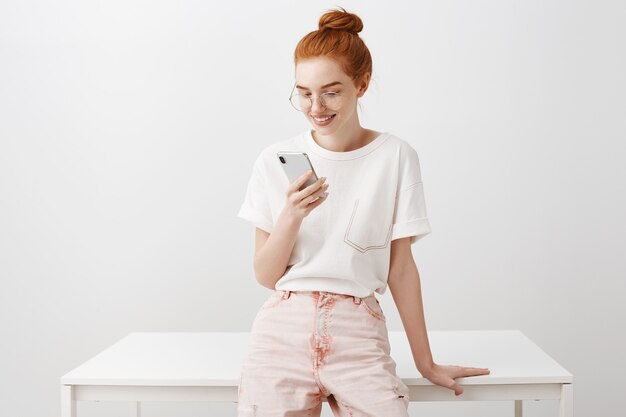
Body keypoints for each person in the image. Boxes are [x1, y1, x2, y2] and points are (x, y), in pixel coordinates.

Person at [236, 7, 490, 417]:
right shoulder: (274, 160)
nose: (315, 107)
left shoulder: (395, 156)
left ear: (362, 84)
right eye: (303, 92)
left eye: (331, 91)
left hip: (359, 330)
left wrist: (425, 363)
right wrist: (291, 216)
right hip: (281, 331)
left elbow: (401, 268)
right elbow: (265, 276)